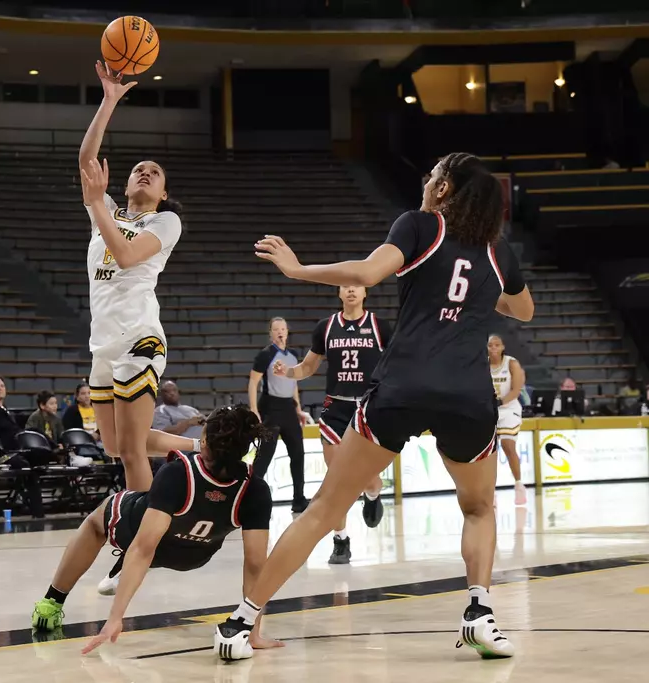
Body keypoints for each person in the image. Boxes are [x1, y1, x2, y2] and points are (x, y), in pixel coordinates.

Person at [214, 153, 535, 661]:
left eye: (432, 175)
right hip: (467, 398)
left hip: (402, 387)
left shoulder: (420, 226)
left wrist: (297, 270)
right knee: (478, 508)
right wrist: (478, 296)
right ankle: (479, 613)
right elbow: (523, 309)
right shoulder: (498, 252)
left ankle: (241, 621)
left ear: (446, 188)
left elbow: (367, 271)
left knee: (324, 509)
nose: (426, 181)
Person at [31, 405, 282, 657]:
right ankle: (124, 567)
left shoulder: (178, 472)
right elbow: (255, 565)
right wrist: (251, 629)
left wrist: (115, 617)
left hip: (140, 533)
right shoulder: (256, 489)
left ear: (205, 440)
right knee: (150, 533)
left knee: (97, 522)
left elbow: (143, 548)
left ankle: (51, 603)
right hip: (195, 555)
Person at [79, 60, 184, 494]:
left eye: (154, 172)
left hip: (140, 335)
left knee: (134, 450)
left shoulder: (166, 223)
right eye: (138, 168)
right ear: (123, 185)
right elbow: (87, 159)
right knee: (114, 446)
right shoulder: (106, 213)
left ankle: (139, 534)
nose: (145, 171)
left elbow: (124, 255)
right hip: (103, 341)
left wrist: (98, 205)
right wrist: (108, 101)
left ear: (162, 193)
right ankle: (206, 449)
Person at [271, 286, 393, 563]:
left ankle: (373, 494)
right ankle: (341, 541)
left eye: (356, 285)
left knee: (367, 478)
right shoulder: (326, 327)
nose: (350, 289)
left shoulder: (379, 326)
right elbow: (308, 367)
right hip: (335, 408)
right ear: (339, 293)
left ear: (365, 292)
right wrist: (288, 372)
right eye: (345, 286)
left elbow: (396, 362)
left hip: (367, 407)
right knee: (335, 481)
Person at [248, 318, 311, 512]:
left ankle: (299, 499)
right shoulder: (265, 355)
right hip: (271, 407)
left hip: (288, 409)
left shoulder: (292, 355)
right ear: (271, 333)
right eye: (276, 330)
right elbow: (253, 383)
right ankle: (249, 499)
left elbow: (294, 383)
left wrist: (298, 408)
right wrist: (254, 410)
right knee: (265, 456)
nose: (280, 332)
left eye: (283, 329)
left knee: (298, 454)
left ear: (287, 332)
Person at [488, 334, 527, 505]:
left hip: (509, 408)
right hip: (489, 410)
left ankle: (519, 485)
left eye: (497, 345)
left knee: (507, 445)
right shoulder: (482, 364)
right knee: (488, 452)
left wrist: (500, 402)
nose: (494, 348)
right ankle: (490, 491)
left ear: (503, 347)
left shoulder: (512, 363)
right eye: (490, 345)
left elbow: (516, 389)